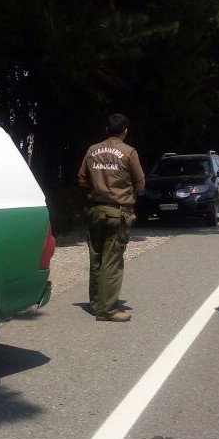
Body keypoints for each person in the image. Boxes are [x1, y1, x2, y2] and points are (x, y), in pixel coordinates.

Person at [77, 113, 146, 322]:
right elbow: (140, 183)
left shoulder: (92, 150)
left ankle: (97, 303)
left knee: (96, 256)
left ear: (107, 130)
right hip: (118, 212)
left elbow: (81, 180)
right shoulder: (129, 152)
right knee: (112, 260)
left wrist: (98, 188)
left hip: (95, 210)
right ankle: (108, 310)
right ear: (125, 131)